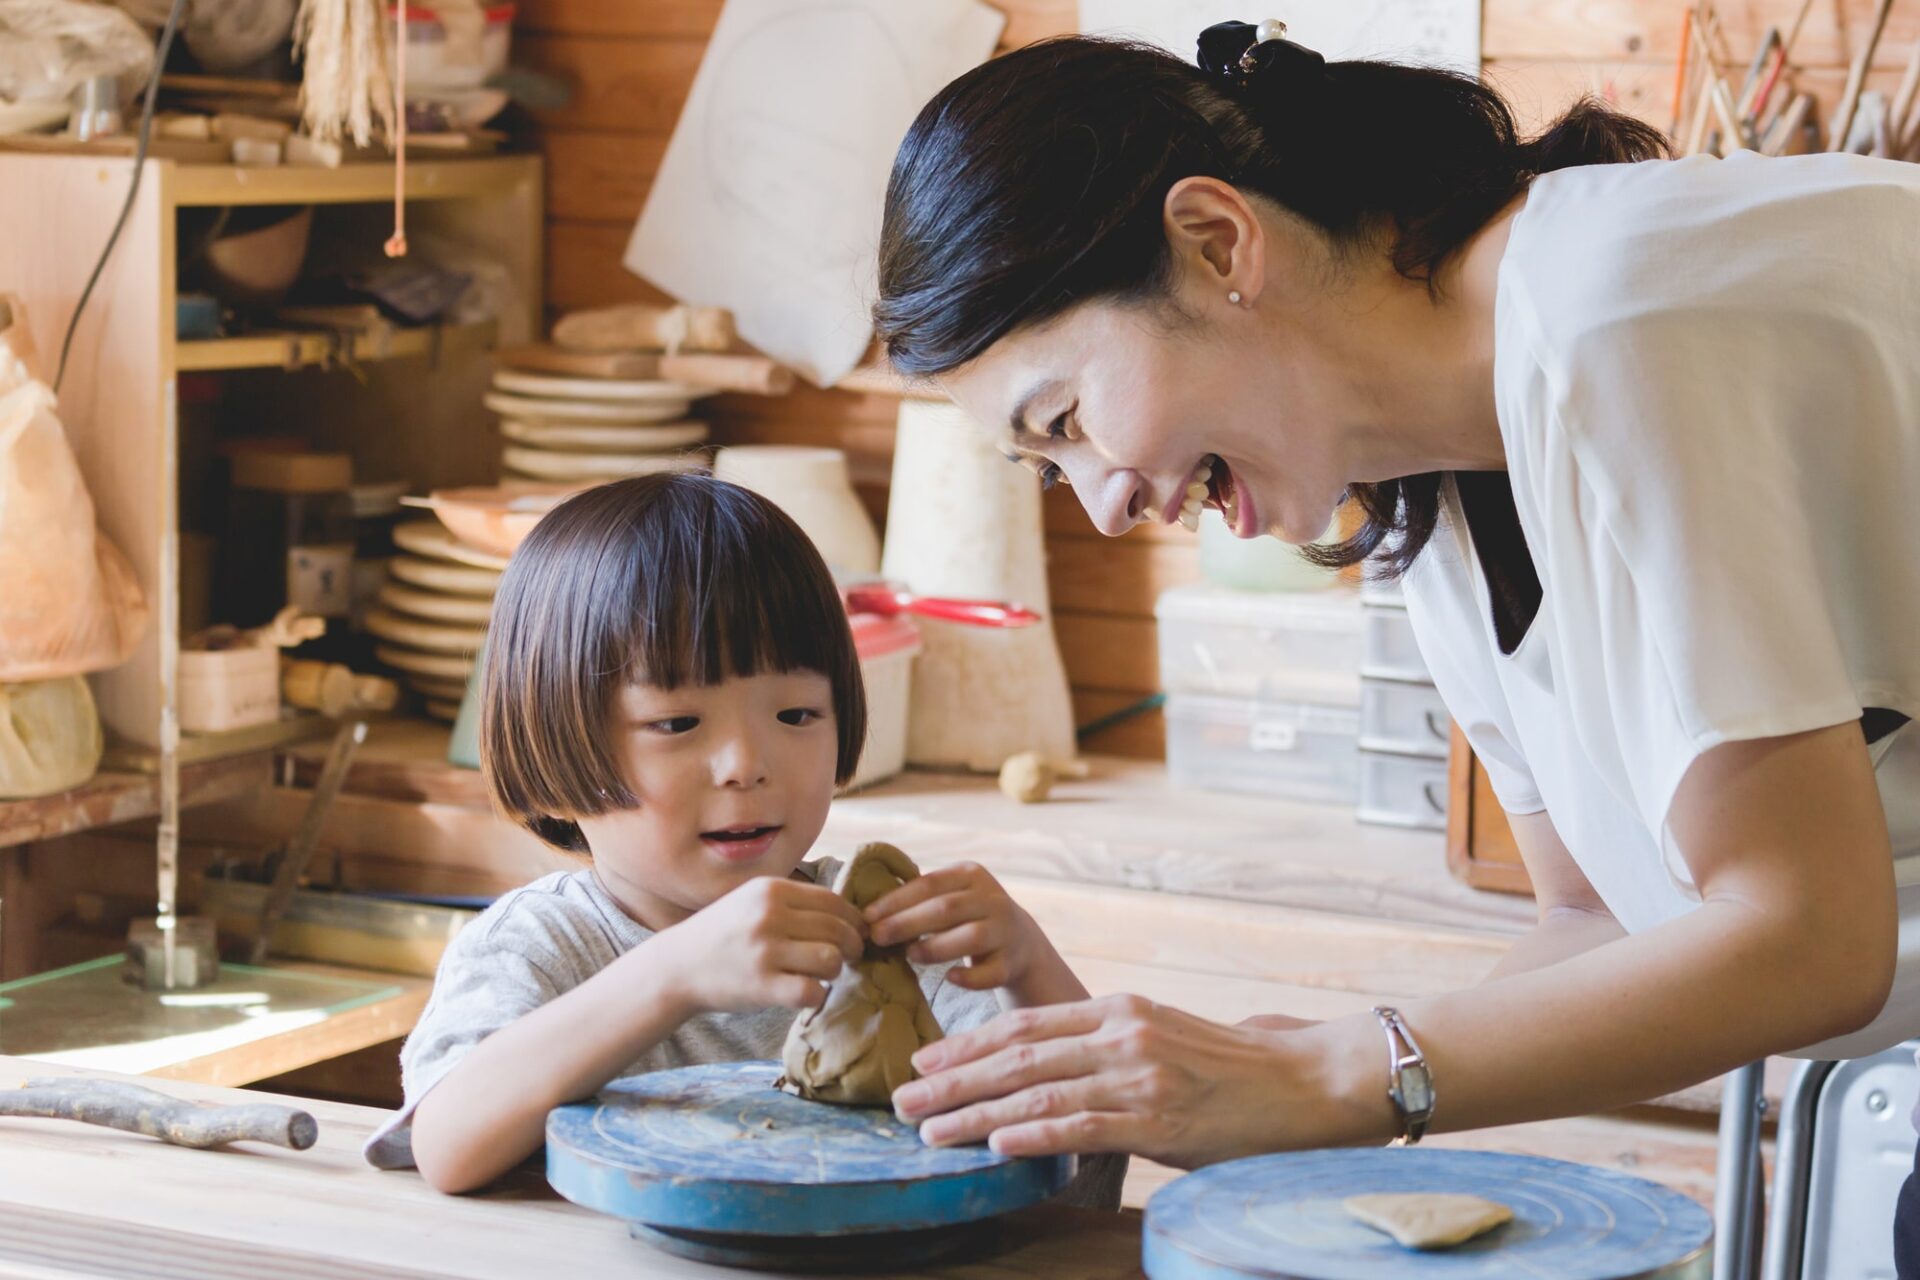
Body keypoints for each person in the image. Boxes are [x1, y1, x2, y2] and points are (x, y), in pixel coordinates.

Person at [871, 16, 1920, 1265]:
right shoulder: (1435, 492)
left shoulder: (1618, 318)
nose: (1107, 500)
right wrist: (1272, 1076)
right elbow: (1595, 920)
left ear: (1217, 242)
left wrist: (1336, 1070)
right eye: (1048, 470)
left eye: (1070, 418)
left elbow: (1811, 938)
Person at [363, 473, 1122, 1208]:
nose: (747, 766)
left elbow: (1084, 1137)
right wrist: (675, 975)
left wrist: (1024, 960)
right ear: (556, 739)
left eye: (795, 715)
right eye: (678, 723)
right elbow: (448, 1145)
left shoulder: (874, 929)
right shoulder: (538, 947)